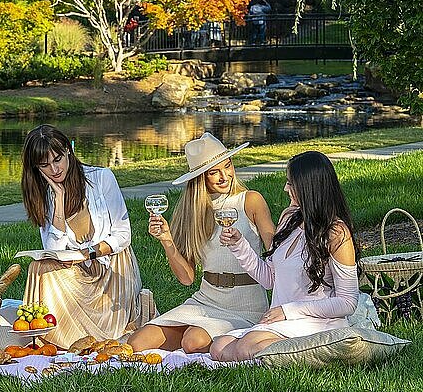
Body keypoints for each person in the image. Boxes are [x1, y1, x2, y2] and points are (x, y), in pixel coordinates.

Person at [127, 132, 275, 353]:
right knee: (137, 343)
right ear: (200, 178)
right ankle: (196, 330)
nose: (225, 176)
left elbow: (277, 250)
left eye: (228, 166)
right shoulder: (193, 213)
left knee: (192, 341)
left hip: (246, 304)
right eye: (214, 172)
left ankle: (212, 336)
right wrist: (167, 241)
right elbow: (186, 279)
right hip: (207, 299)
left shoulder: (250, 200)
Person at [210, 151, 359, 362]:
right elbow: (270, 279)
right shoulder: (289, 218)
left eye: (290, 184)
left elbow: (348, 302)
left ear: (308, 187)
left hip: (315, 321)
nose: (285, 189)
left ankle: (320, 349)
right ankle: (288, 353)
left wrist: (289, 311)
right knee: (219, 347)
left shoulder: (336, 233)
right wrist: (239, 245)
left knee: (244, 349)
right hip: (283, 319)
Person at [21, 124, 145, 349]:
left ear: (69, 150)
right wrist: (58, 201)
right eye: (45, 165)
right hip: (76, 270)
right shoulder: (46, 195)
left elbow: (123, 235)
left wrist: (86, 254)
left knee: (116, 252)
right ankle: (52, 336)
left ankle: (96, 330)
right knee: (39, 267)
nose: (54, 169)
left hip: (110, 266)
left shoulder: (101, 178)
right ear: (36, 169)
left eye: (57, 159)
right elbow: (52, 249)